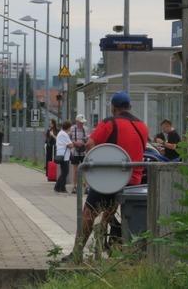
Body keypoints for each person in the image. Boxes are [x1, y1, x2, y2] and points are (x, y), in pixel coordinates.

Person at [63, 91, 147, 262]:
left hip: (112, 178)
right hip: (134, 179)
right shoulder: (142, 126)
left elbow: (90, 145)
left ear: (113, 108)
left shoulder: (109, 123)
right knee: (111, 210)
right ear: (129, 107)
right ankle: (108, 242)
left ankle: (77, 254)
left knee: (88, 213)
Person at [70, 114, 88, 194]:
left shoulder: (85, 129)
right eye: (80, 122)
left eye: (82, 122)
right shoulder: (72, 129)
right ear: (77, 122)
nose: (82, 124)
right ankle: (75, 186)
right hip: (75, 151)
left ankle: (86, 186)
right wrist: (75, 143)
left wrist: (83, 143)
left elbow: (88, 139)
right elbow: (69, 139)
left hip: (83, 151)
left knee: (85, 170)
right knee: (75, 170)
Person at [54, 120, 73, 193]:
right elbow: (70, 145)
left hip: (61, 154)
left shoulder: (61, 133)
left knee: (64, 172)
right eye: (70, 127)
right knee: (65, 172)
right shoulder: (64, 134)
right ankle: (58, 187)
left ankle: (61, 187)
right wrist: (74, 143)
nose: (70, 129)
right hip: (64, 156)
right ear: (68, 127)